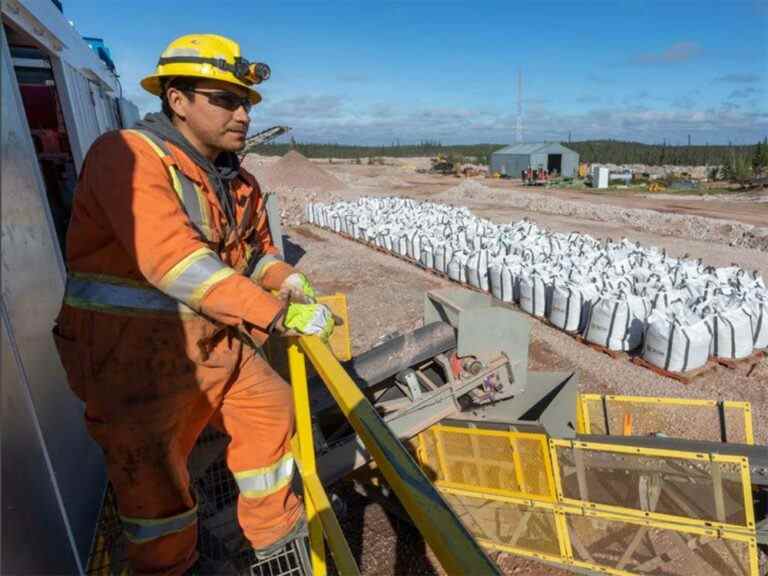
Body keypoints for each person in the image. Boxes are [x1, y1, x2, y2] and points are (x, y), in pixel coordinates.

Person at [52, 34, 333, 575]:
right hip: (133, 363)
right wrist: (276, 313)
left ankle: (277, 544)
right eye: (224, 99)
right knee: (154, 491)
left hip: (214, 344)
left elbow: (252, 254)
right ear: (177, 100)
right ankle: (171, 569)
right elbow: (173, 261)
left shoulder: (234, 179)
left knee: (271, 408)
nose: (242, 114)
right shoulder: (129, 158)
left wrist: (289, 281)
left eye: (246, 102)